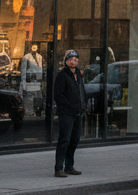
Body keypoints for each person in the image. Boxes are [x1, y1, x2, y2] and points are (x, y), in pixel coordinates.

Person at [54, 49, 85, 178]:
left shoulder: (79, 74)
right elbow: (58, 95)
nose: (74, 61)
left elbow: (82, 91)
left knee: (75, 140)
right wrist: (69, 105)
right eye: (71, 59)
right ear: (66, 61)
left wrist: (83, 105)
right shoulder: (62, 75)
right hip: (66, 113)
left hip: (78, 113)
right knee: (64, 140)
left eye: (76, 59)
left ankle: (69, 166)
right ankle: (58, 168)